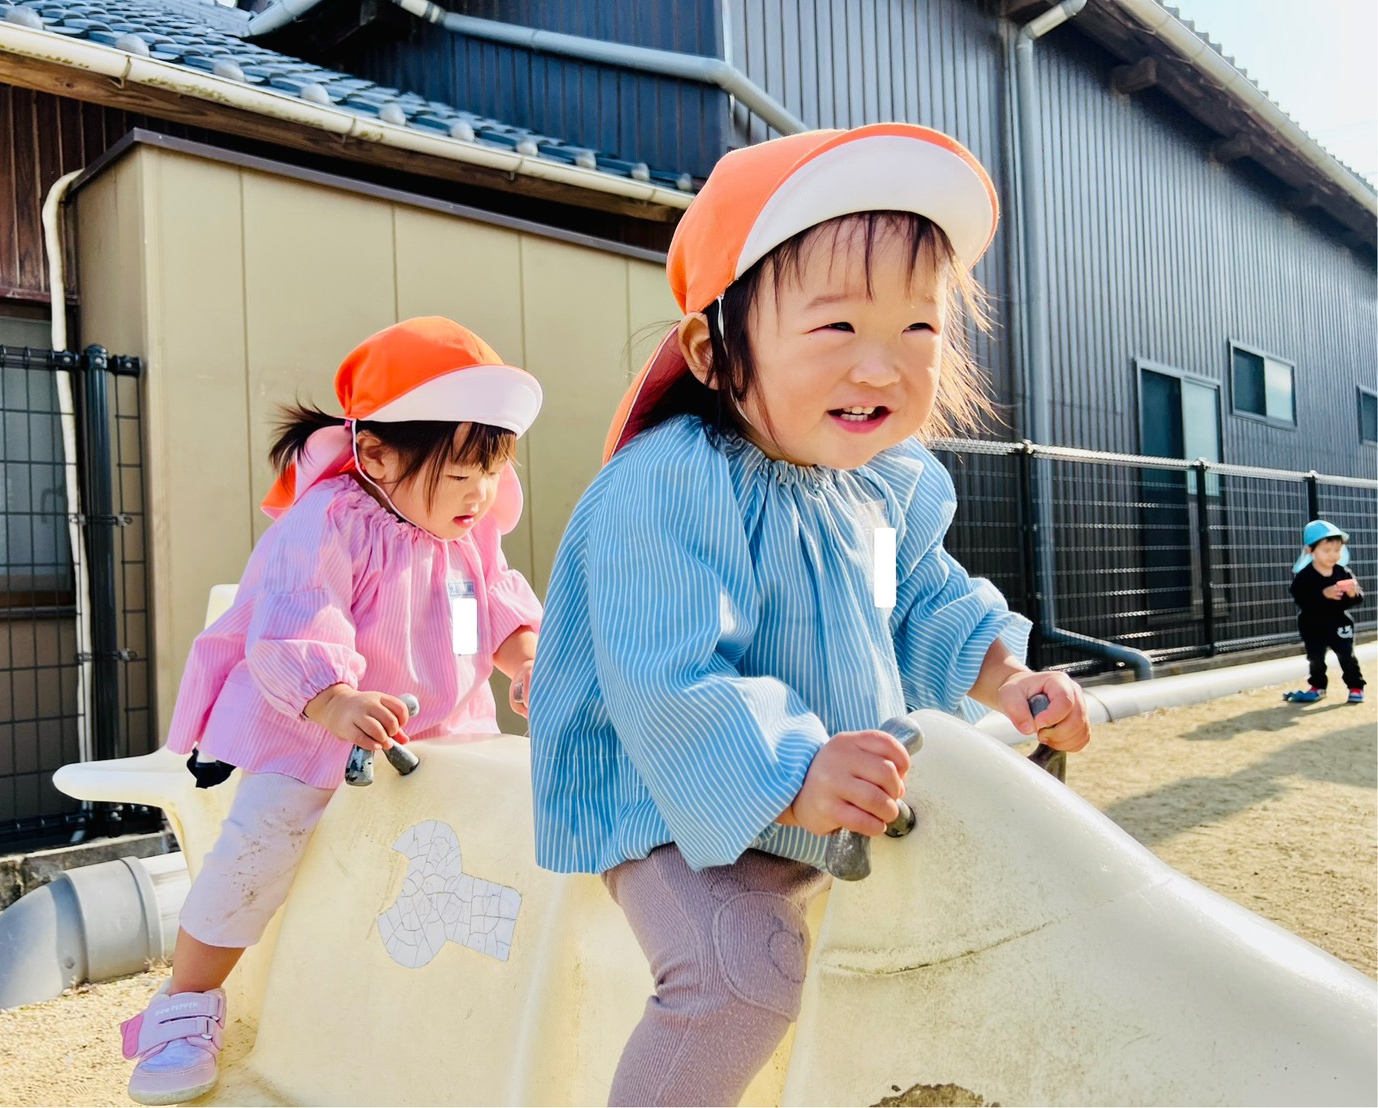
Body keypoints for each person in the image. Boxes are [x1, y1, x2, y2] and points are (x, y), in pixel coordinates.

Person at [527, 123, 1091, 1107]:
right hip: (660, 800)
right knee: (738, 976)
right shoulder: (671, 485)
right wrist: (792, 772)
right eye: (837, 329)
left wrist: (1008, 676)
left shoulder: (874, 488)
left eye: (918, 331)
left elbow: (916, 600)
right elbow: (669, 678)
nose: (881, 368)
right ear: (712, 349)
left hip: (828, 788)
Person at [119, 317, 543, 1105]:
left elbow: (495, 608)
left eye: (492, 471)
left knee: (467, 851)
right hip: (311, 732)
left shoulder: (467, 531)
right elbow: (294, 618)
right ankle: (186, 1004)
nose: (480, 494)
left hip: (435, 739)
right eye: (460, 473)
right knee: (257, 852)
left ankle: (439, 1007)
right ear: (376, 456)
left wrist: (525, 663)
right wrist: (335, 698)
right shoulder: (330, 520)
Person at [1284, 519, 1364, 704]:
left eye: (1337, 550)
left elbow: (1357, 599)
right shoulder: (1304, 577)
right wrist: (1323, 594)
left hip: (1340, 623)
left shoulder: (1343, 572)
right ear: (1310, 550)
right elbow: (1301, 599)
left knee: (1347, 655)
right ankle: (1318, 687)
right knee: (1315, 657)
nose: (1333, 555)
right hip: (1312, 624)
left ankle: (1356, 687)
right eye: (1327, 550)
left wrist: (1353, 594)